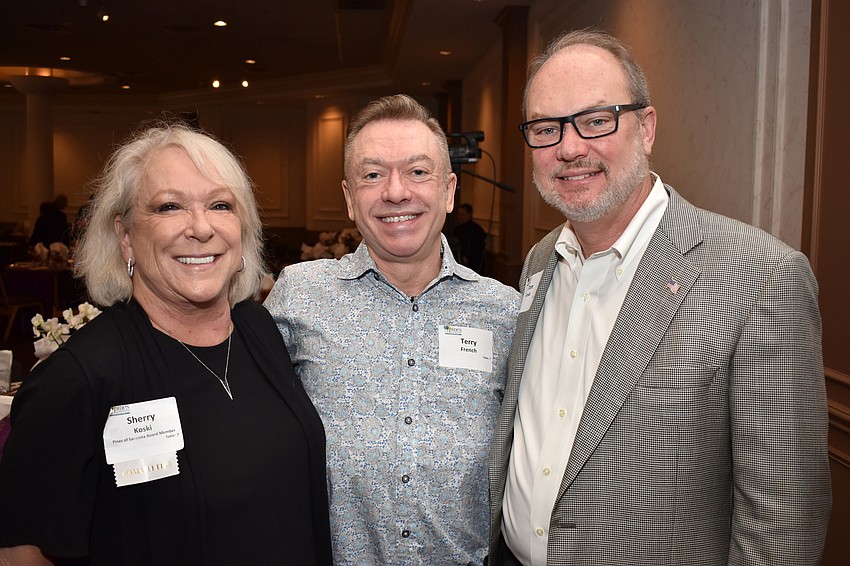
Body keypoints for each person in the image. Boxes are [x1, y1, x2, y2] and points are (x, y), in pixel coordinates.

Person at [488, 29, 831, 565]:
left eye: (597, 120)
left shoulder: (761, 276)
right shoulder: (539, 261)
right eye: (546, 128)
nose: (570, 147)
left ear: (646, 128)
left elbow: (783, 523)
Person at [0, 123, 333, 565]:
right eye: (169, 207)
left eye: (220, 205)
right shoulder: (79, 378)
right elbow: (23, 553)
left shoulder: (258, 329)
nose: (200, 228)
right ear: (125, 237)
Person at [264, 94, 520, 565]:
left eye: (418, 172)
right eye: (373, 174)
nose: (396, 192)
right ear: (348, 198)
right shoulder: (299, 296)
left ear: (449, 191)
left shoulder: (505, 312)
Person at [453, 202, 487, 273]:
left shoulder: (477, 230)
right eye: (459, 214)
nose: (460, 217)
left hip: (473, 265)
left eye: (463, 214)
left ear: (469, 214)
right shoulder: (457, 229)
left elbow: (478, 248)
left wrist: (468, 257)